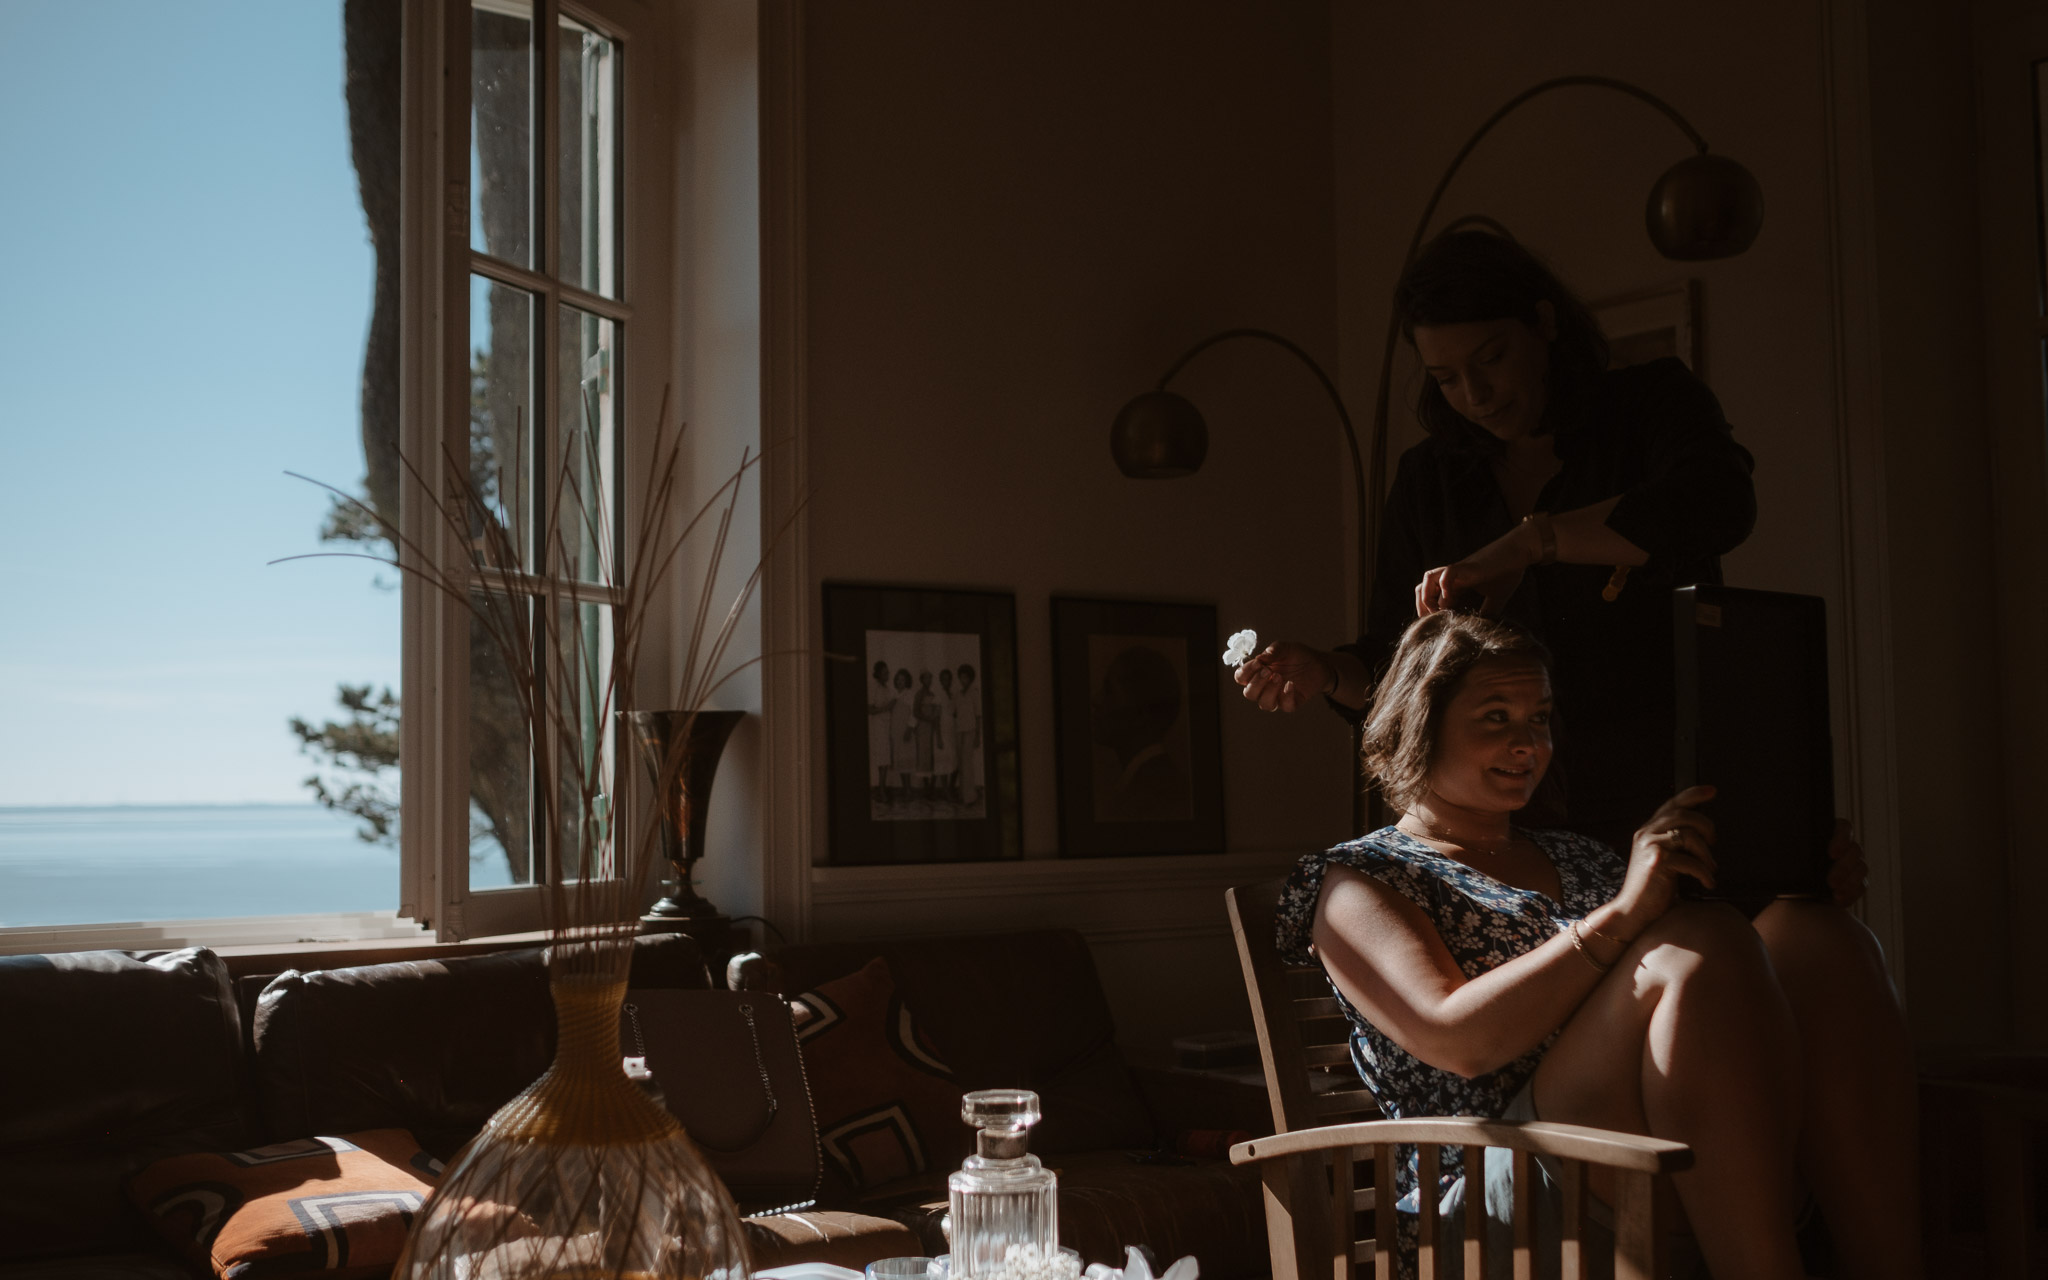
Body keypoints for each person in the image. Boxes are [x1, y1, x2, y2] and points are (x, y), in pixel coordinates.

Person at [1275, 610, 1917, 1280]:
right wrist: (1623, 913)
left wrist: (1805, 873)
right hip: (1495, 1193)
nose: (1528, 742)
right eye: (1496, 716)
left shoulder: (1581, 857)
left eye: (1540, 717)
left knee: (1813, 931)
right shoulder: (1362, 879)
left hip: (1650, 1147)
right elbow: (1455, 1042)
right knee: (1699, 937)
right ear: (1419, 723)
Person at [1236, 230, 1756, 847]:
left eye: (1490, 359)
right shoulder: (1430, 479)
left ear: (1543, 322)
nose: (1475, 396)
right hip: (1506, 828)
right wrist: (1325, 672)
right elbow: (1396, 663)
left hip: (1667, 794)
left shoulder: (1650, 405)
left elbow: (1718, 504)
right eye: (1447, 378)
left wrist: (1532, 542)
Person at [867, 661, 898, 800]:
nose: (888, 675)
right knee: (881, 759)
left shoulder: (887, 688)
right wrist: (886, 708)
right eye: (885, 672)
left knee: (885, 759)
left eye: (888, 672)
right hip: (878, 727)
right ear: (878, 673)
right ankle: (881, 790)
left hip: (886, 727)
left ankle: (882, 789)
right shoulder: (873, 686)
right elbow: (870, 709)